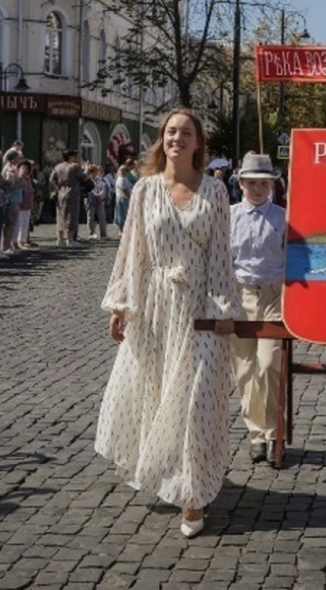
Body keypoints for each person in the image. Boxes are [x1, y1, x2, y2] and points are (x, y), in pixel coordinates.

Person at [95, 108, 242, 538]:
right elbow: (133, 251)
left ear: (198, 143)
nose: (177, 138)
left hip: (198, 308)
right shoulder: (144, 190)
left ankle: (192, 497)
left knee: (195, 403)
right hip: (155, 308)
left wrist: (222, 313)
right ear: (163, 139)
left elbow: (221, 256)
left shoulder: (215, 191)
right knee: (158, 395)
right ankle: (167, 472)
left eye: (186, 132)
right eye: (171, 131)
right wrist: (122, 305)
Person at [228, 152, 286, 464]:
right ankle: (257, 435)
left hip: (274, 298)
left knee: (269, 364)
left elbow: (295, 259)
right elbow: (222, 261)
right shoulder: (229, 216)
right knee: (246, 370)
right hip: (240, 297)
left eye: (263, 183)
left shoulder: (283, 217)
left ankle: (275, 430)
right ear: (241, 184)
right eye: (251, 183)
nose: (257, 189)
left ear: (272, 185)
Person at [50, 150, 82, 247]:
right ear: (71, 157)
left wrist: (58, 187)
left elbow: (51, 179)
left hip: (61, 192)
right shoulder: (74, 167)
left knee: (60, 215)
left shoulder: (58, 166)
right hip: (72, 192)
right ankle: (70, 239)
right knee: (71, 215)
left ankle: (60, 239)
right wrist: (85, 169)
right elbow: (83, 177)